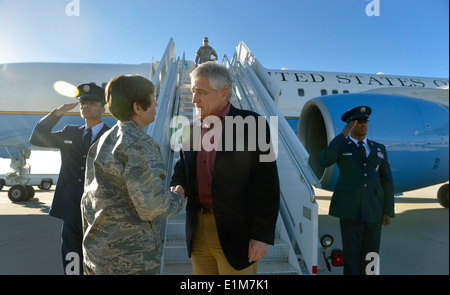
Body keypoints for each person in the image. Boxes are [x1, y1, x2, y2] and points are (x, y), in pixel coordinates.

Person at [170, 62, 280, 275]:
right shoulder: (189, 128)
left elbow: (268, 184)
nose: (194, 100)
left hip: (238, 234)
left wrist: (261, 236)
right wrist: (179, 184)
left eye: (200, 92)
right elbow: (182, 165)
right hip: (197, 231)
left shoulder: (253, 124)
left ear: (224, 93)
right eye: (193, 91)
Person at [81, 74, 185, 275]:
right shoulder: (139, 142)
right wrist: (177, 199)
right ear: (138, 107)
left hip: (98, 254)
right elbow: (151, 206)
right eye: (153, 98)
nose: (156, 104)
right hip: (130, 260)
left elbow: (88, 200)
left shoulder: (104, 140)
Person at [29, 83, 110, 275]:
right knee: (72, 254)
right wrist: (57, 113)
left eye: (90, 103)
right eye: (82, 103)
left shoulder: (112, 135)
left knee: (100, 256)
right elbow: (37, 138)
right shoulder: (69, 132)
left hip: (101, 208)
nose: (85, 107)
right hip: (71, 207)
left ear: (103, 107)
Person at [317, 106, 395, 275]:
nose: (364, 125)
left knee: (372, 257)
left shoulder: (379, 148)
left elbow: (387, 180)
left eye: (365, 121)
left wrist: (388, 210)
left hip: (374, 211)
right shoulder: (342, 145)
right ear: (350, 124)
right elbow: (323, 160)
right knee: (351, 258)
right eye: (359, 122)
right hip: (349, 211)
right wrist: (343, 135)